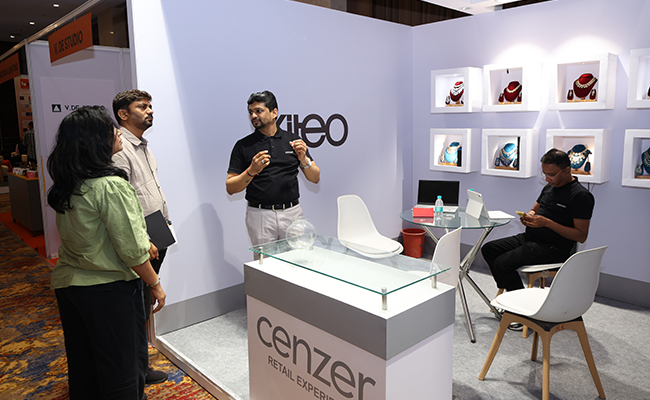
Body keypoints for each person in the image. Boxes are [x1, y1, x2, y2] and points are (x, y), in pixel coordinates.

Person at [47, 106, 166, 399]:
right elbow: (132, 251)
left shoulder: (70, 182)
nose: (117, 132)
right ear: (95, 140)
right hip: (108, 290)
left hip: (71, 286)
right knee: (122, 371)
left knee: (85, 365)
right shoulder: (111, 186)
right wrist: (155, 284)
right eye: (110, 127)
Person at [481, 148, 595, 328]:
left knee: (503, 264)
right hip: (530, 238)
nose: (547, 178)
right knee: (489, 249)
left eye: (552, 174)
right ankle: (512, 297)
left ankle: (520, 311)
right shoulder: (549, 187)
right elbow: (535, 208)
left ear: (567, 170)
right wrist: (529, 216)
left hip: (554, 248)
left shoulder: (580, 196)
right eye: (544, 174)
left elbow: (581, 236)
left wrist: (547, 223)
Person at [112, 89, 170, 385]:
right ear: (123, 114)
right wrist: (142, 239)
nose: (150, 111)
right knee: (136, 304)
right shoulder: (120, 149)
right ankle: (137, 370)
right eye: (142, 106)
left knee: (144, 303)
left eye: (150, 106)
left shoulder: (143, 146)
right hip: (142, 237)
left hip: (157, 230)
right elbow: (123, 205)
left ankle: (140, 364)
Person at [226, 90, 321, 246]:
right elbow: (230, 187)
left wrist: (303, 159)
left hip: (292, 213)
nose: (253, 116)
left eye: (259, 111)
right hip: (260, 215)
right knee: (264, 262)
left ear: (274, 112)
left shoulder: (293, 140)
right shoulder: (243, 145)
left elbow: (315, 177)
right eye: (250, 112)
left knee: (296, 259)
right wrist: (251, 171)